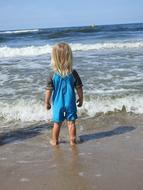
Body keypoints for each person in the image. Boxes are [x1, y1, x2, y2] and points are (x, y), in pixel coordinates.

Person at [45, 42, 83, 146]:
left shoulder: (52, 74)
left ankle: (55, 141)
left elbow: (49, 90)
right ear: (69, 57)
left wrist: (47, 102)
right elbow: (79, 87)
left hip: (58, 104)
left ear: (54, 58)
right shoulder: (73, 73)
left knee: (57, 123)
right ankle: (72, 141)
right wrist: (81, 99)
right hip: (70, 103)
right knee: (71, 123)